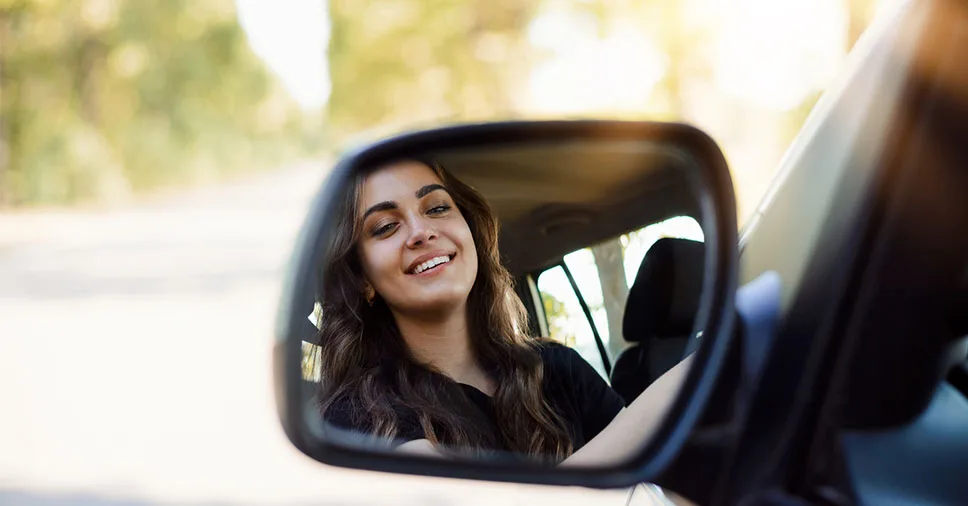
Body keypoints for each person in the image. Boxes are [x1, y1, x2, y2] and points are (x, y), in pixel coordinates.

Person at [314, 158, 689, 465]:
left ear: (470, 234)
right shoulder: (357, 416)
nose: (421, 231)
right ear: (363, 280)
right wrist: (688, 378)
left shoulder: (558, 368)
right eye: (385, 227)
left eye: (438, 207)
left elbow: (648, 478)